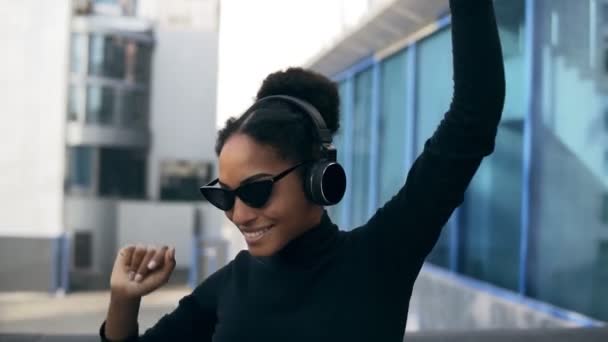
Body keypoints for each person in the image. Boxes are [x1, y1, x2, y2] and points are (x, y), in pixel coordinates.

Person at [100, 0, 505, 340]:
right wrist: (124, 299)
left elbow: (474, 115)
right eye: (224, 196)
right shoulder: (228, 285)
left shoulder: (380, 256)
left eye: (256, 191)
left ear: (318, 178)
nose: (239, 214)